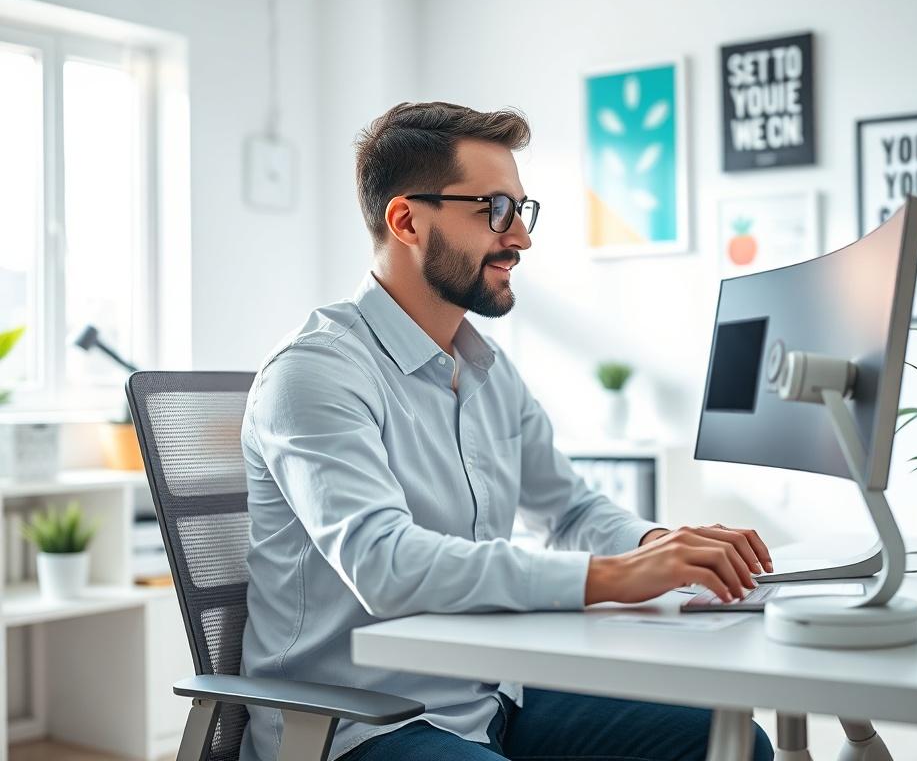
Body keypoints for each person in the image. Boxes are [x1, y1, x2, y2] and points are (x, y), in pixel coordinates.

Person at [240, 101, 775, 761]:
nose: (520, 236)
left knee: (733, 743)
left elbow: (570, 508)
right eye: (494, 209)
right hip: (356, 725)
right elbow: (383, 564)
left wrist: (659, 545)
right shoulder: (315, 373)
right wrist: (609, 576)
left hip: (489, 698)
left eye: (523, 210)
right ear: (406, 219)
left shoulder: (486, 370)